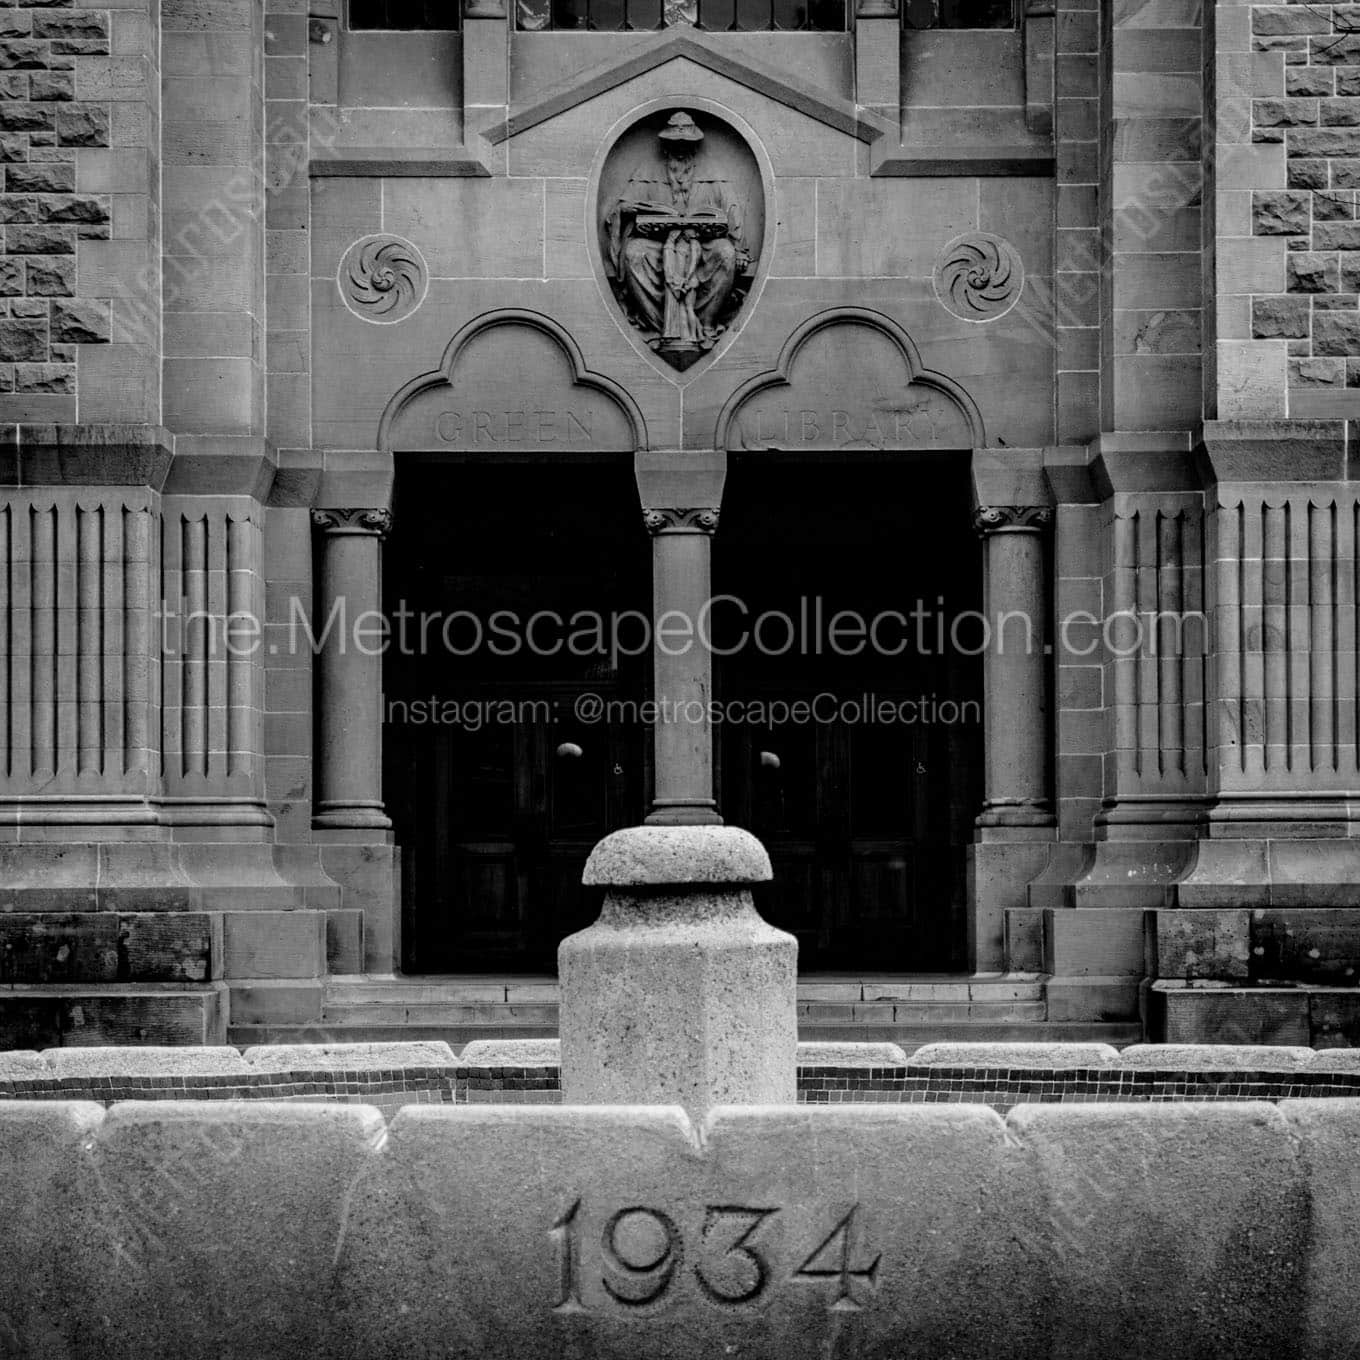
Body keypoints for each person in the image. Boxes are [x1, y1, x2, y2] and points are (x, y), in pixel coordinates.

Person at [605, 112, 751, 352]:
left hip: (703, 245)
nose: (680, 149)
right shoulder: (647, 170)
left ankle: (706, 327)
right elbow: (619, 209)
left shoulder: (713, 171)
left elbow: (732, 213)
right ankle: (656, 326)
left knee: (725, 252)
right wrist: (630, 208)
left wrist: (739, 248)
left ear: (694, 146)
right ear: (665, 147)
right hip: (657, 244)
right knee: (634, 253)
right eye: (675, 144)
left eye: (686, 144)